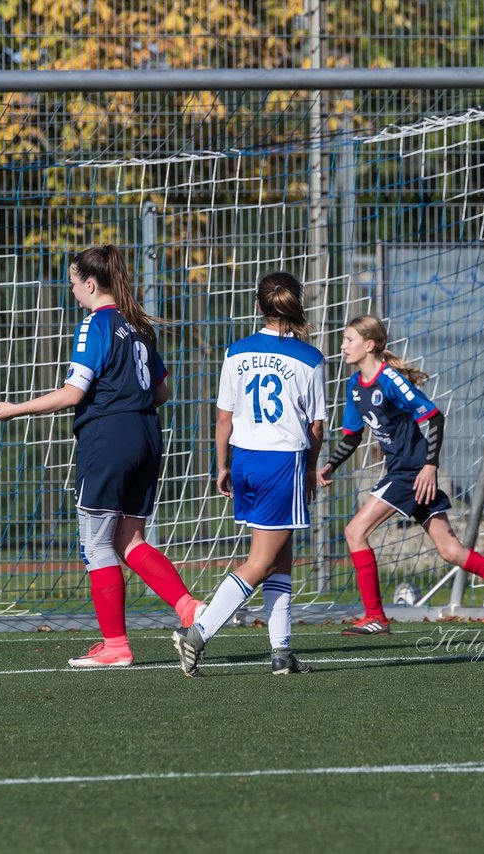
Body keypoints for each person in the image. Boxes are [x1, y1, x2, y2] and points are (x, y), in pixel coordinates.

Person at [0, 244, 203, 667]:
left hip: (109, 437)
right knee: (129, 539)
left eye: (73, 283)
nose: (72, 291)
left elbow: (74, 393)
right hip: (147, 434)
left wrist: (14, 409)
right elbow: (162, 391)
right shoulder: (139, 326)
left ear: (89, 283)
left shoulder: (95, 324)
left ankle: (116, 646)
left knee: (95, 543)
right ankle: (190, 609)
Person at [317, 315, 484, 633]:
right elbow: (352, 436)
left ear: (370, 345)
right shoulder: (354, 386)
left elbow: (434, 416)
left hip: (411, 472)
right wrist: (332, 464)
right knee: (451, 551)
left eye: (349, 340)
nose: (343, 346)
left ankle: (375, 616)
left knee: (354, 532)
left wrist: (430, 466)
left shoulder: (390, 380)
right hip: (406, 473)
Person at [171, 272, 326, 676]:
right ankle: (197, 633)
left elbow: (223, 419)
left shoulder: (237, 352)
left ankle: (281, 652)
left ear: (259, 306)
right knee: (260, 562)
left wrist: (222, 465)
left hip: (244, 460)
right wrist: (310, 468)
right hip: (281, 462)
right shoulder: (310, 358)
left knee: (281, 557)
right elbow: (316, 429)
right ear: (297, 306)